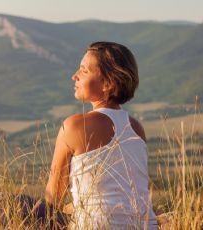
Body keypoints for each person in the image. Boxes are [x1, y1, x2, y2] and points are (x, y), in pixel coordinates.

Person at [44, 41, 158, 229]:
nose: (74, 76)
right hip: (145, 226)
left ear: (108, 83)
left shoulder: (74, 126)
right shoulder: (136, 127)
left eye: (83, 71)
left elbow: (53, 197)